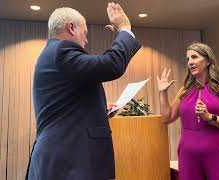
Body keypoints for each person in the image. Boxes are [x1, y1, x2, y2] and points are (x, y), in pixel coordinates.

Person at [26, 3, 141, 180]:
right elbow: (111, 65)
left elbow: (64, 109)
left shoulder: (52, 54)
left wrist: (99, 111)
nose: (85, 40)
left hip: (63, 158)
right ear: (71, 27)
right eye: (85, 33)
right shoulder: (61, 51)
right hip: (69, 161)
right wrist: (125, 30)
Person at [157, 42, 219, 180]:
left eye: (194, 57)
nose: (190, 62)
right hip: (188, 155)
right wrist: (162, 93)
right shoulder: (185, 90)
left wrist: (210, 117)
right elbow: (167, 117)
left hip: (217, 151)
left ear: (208, 61)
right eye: (188, 59)